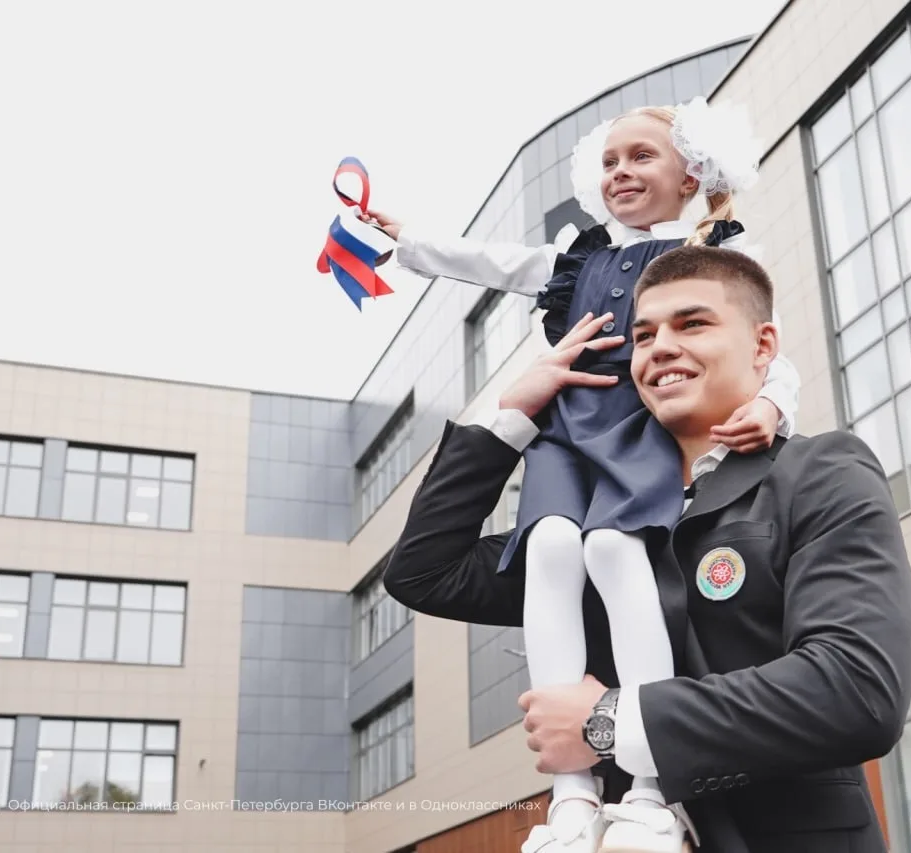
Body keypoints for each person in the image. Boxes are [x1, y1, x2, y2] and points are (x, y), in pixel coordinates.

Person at [366, 97, 802, 846]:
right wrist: (408, 240)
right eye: (609, 161)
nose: (620, 171)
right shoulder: (578, 254)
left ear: (692, 175)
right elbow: (491, 261)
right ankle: (570, 788)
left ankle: (650, 781)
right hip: (567, 433)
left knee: (612, 548)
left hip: (639, 430)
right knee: (549, 548)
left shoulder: (718, 257)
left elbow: (769, 349)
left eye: (641, 156)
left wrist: (773, 405)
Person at [385, 245, 911, 853]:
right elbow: (425, 572)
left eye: (692, 324)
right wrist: (510, 418)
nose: (660, 347)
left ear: (763, 345)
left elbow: (857, 690)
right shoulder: (590, 525)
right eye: (644, 335)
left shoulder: (820, 472)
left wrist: (609, 721)